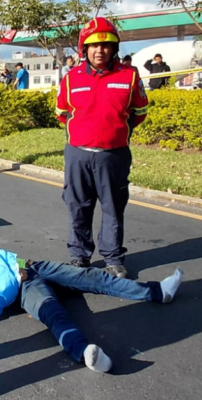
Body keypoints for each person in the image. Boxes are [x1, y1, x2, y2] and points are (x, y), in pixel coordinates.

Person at [55, 17, 149, 279]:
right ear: (84, 49)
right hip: (78, 155)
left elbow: (139, 111)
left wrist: (116, 133)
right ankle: (79, 255)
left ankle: (113, 258)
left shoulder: (129, 76)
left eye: (106, 45)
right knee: (77, 205)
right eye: (94, 45)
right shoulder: (72, 78)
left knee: (112, 207)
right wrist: (85, 134)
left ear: (114, 48)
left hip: (113, 155)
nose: (100, 50)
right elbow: (62, 112)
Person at [19, 258, 183, 372]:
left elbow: (7, 259)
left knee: (92, 276)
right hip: (22, 287)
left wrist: (22, 263)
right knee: (52, 311)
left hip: (34, 266)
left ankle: (158, 291)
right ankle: (84, 352)